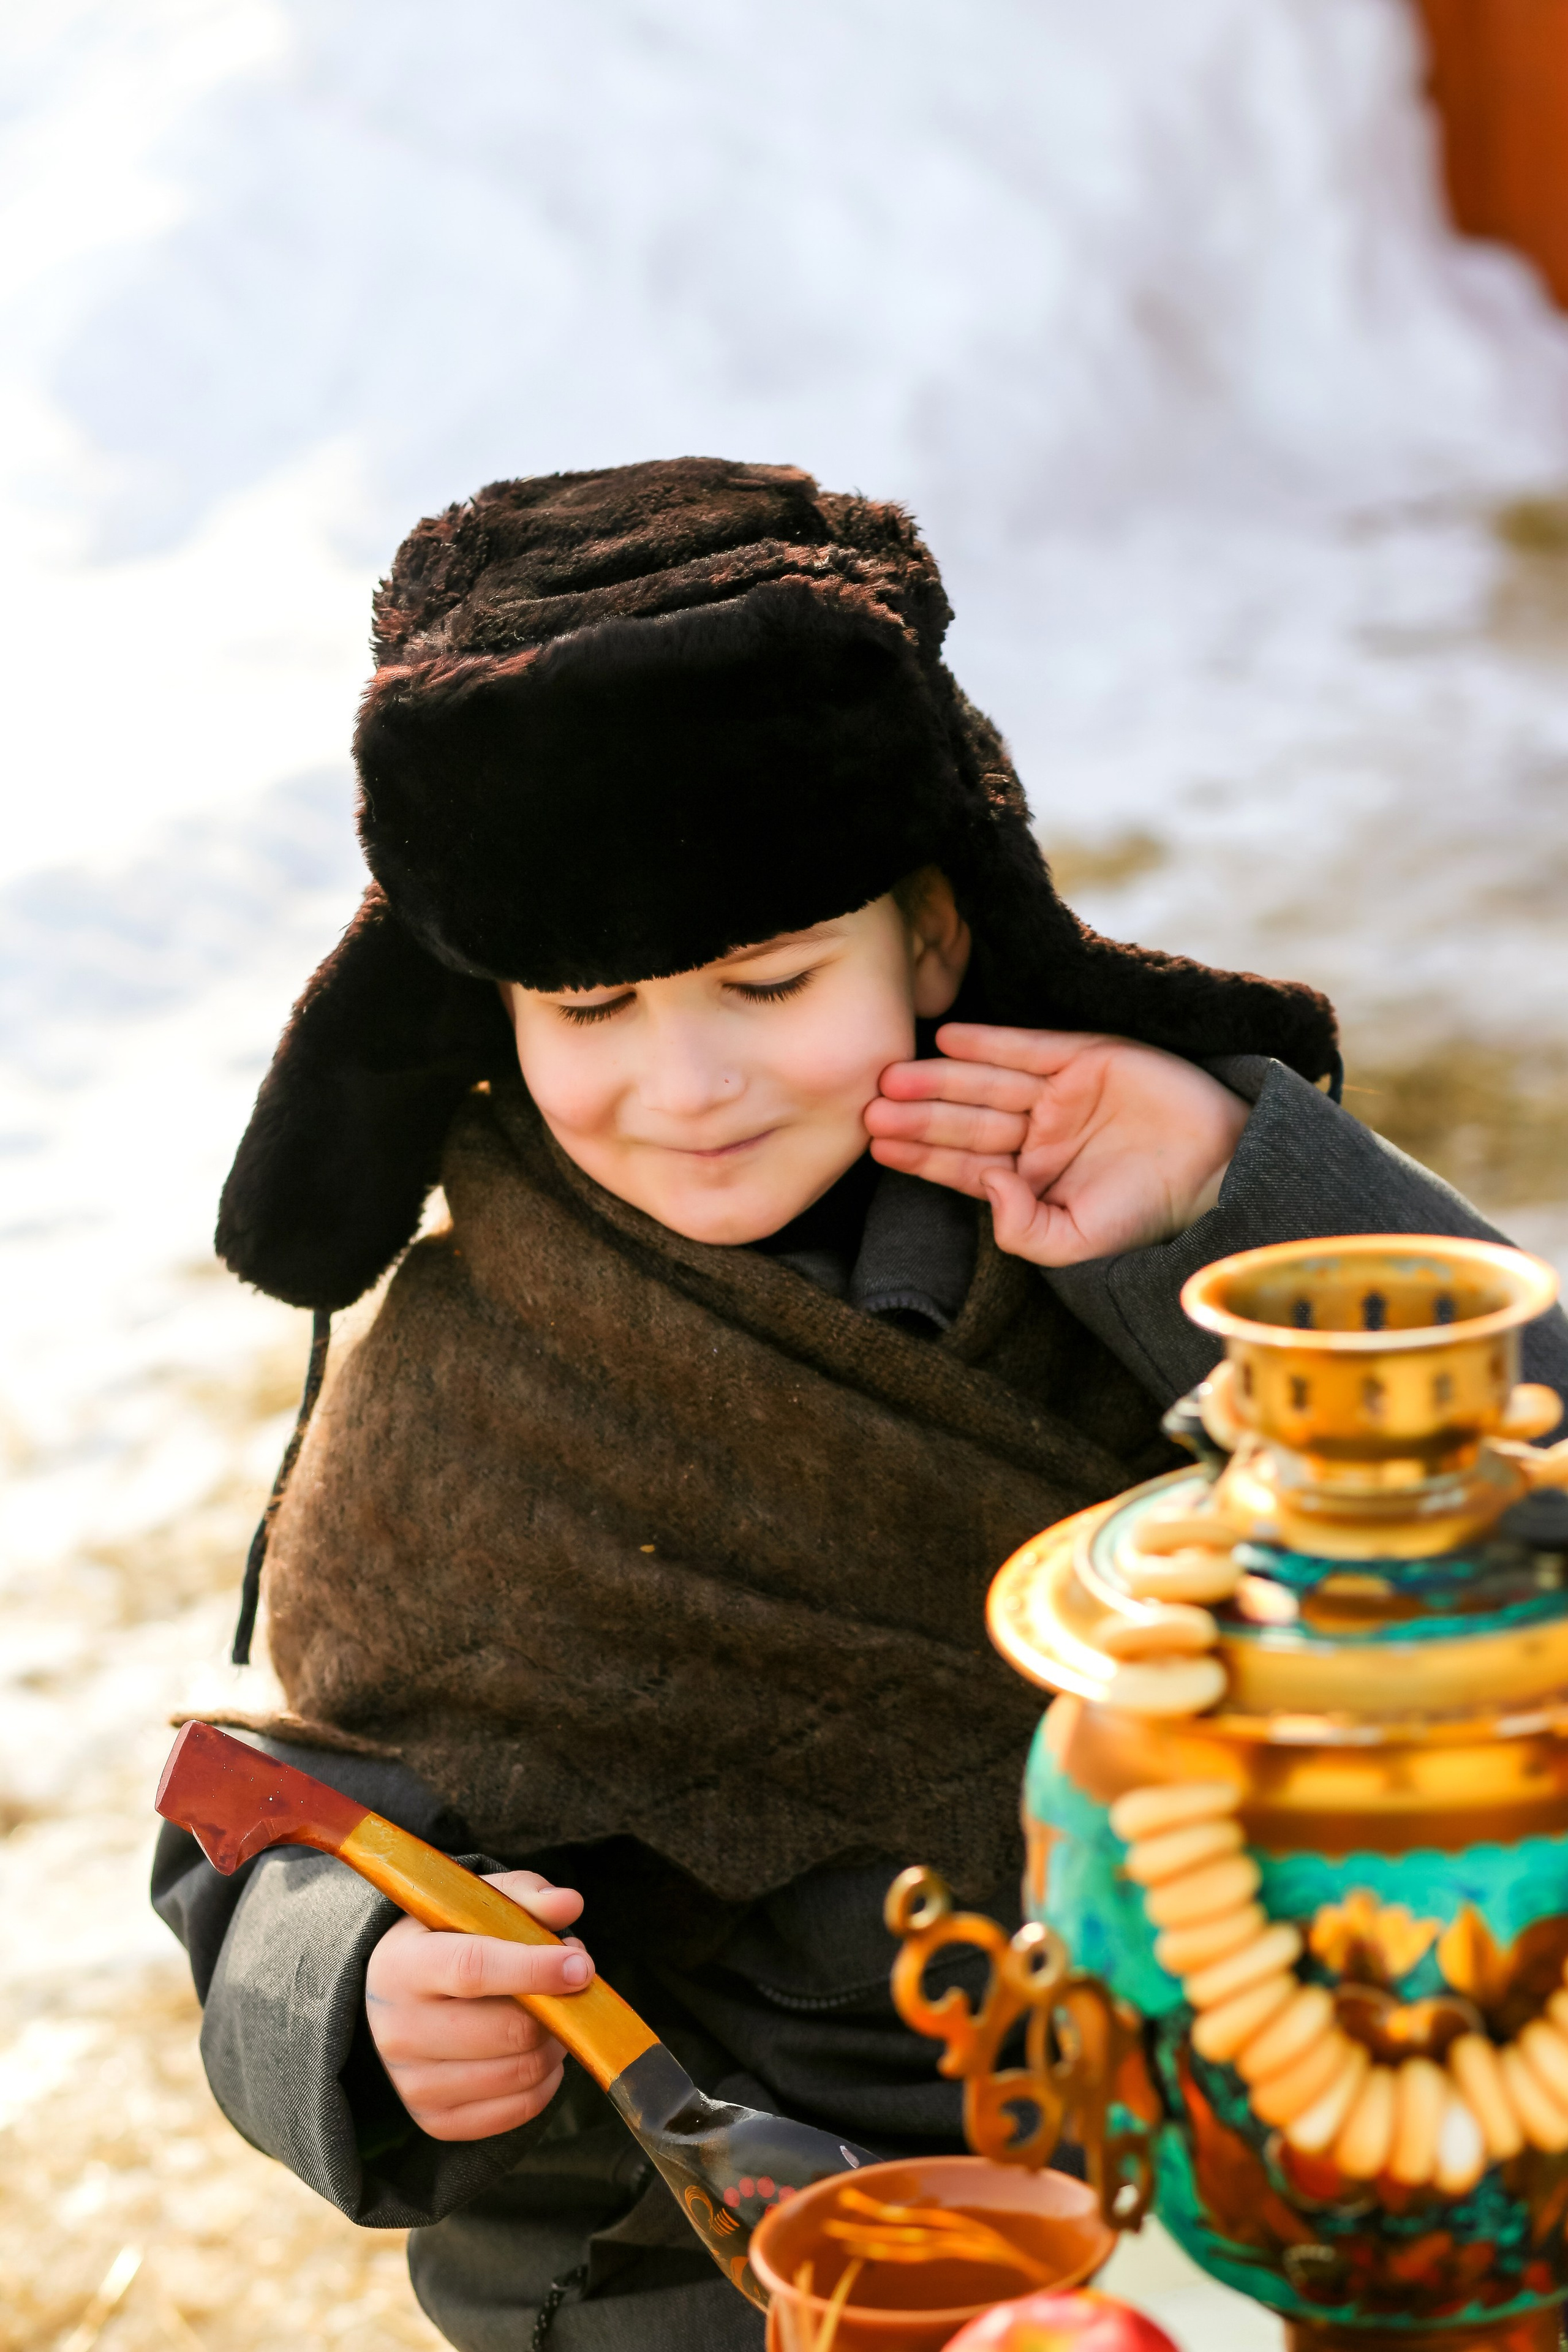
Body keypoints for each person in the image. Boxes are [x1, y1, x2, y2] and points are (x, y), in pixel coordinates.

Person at [153, 459, 1568, 2352]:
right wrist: (360, 1994)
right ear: (484, 1009)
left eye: (767, 980)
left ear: (938, 930)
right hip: (745, 2250)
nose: (690, 1083)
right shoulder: (465, 1393)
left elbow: (1527, 1529)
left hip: (1297, 2147)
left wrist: (1238, 1197)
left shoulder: (1158, 1210)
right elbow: (287, 1830)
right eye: (589, 1012)